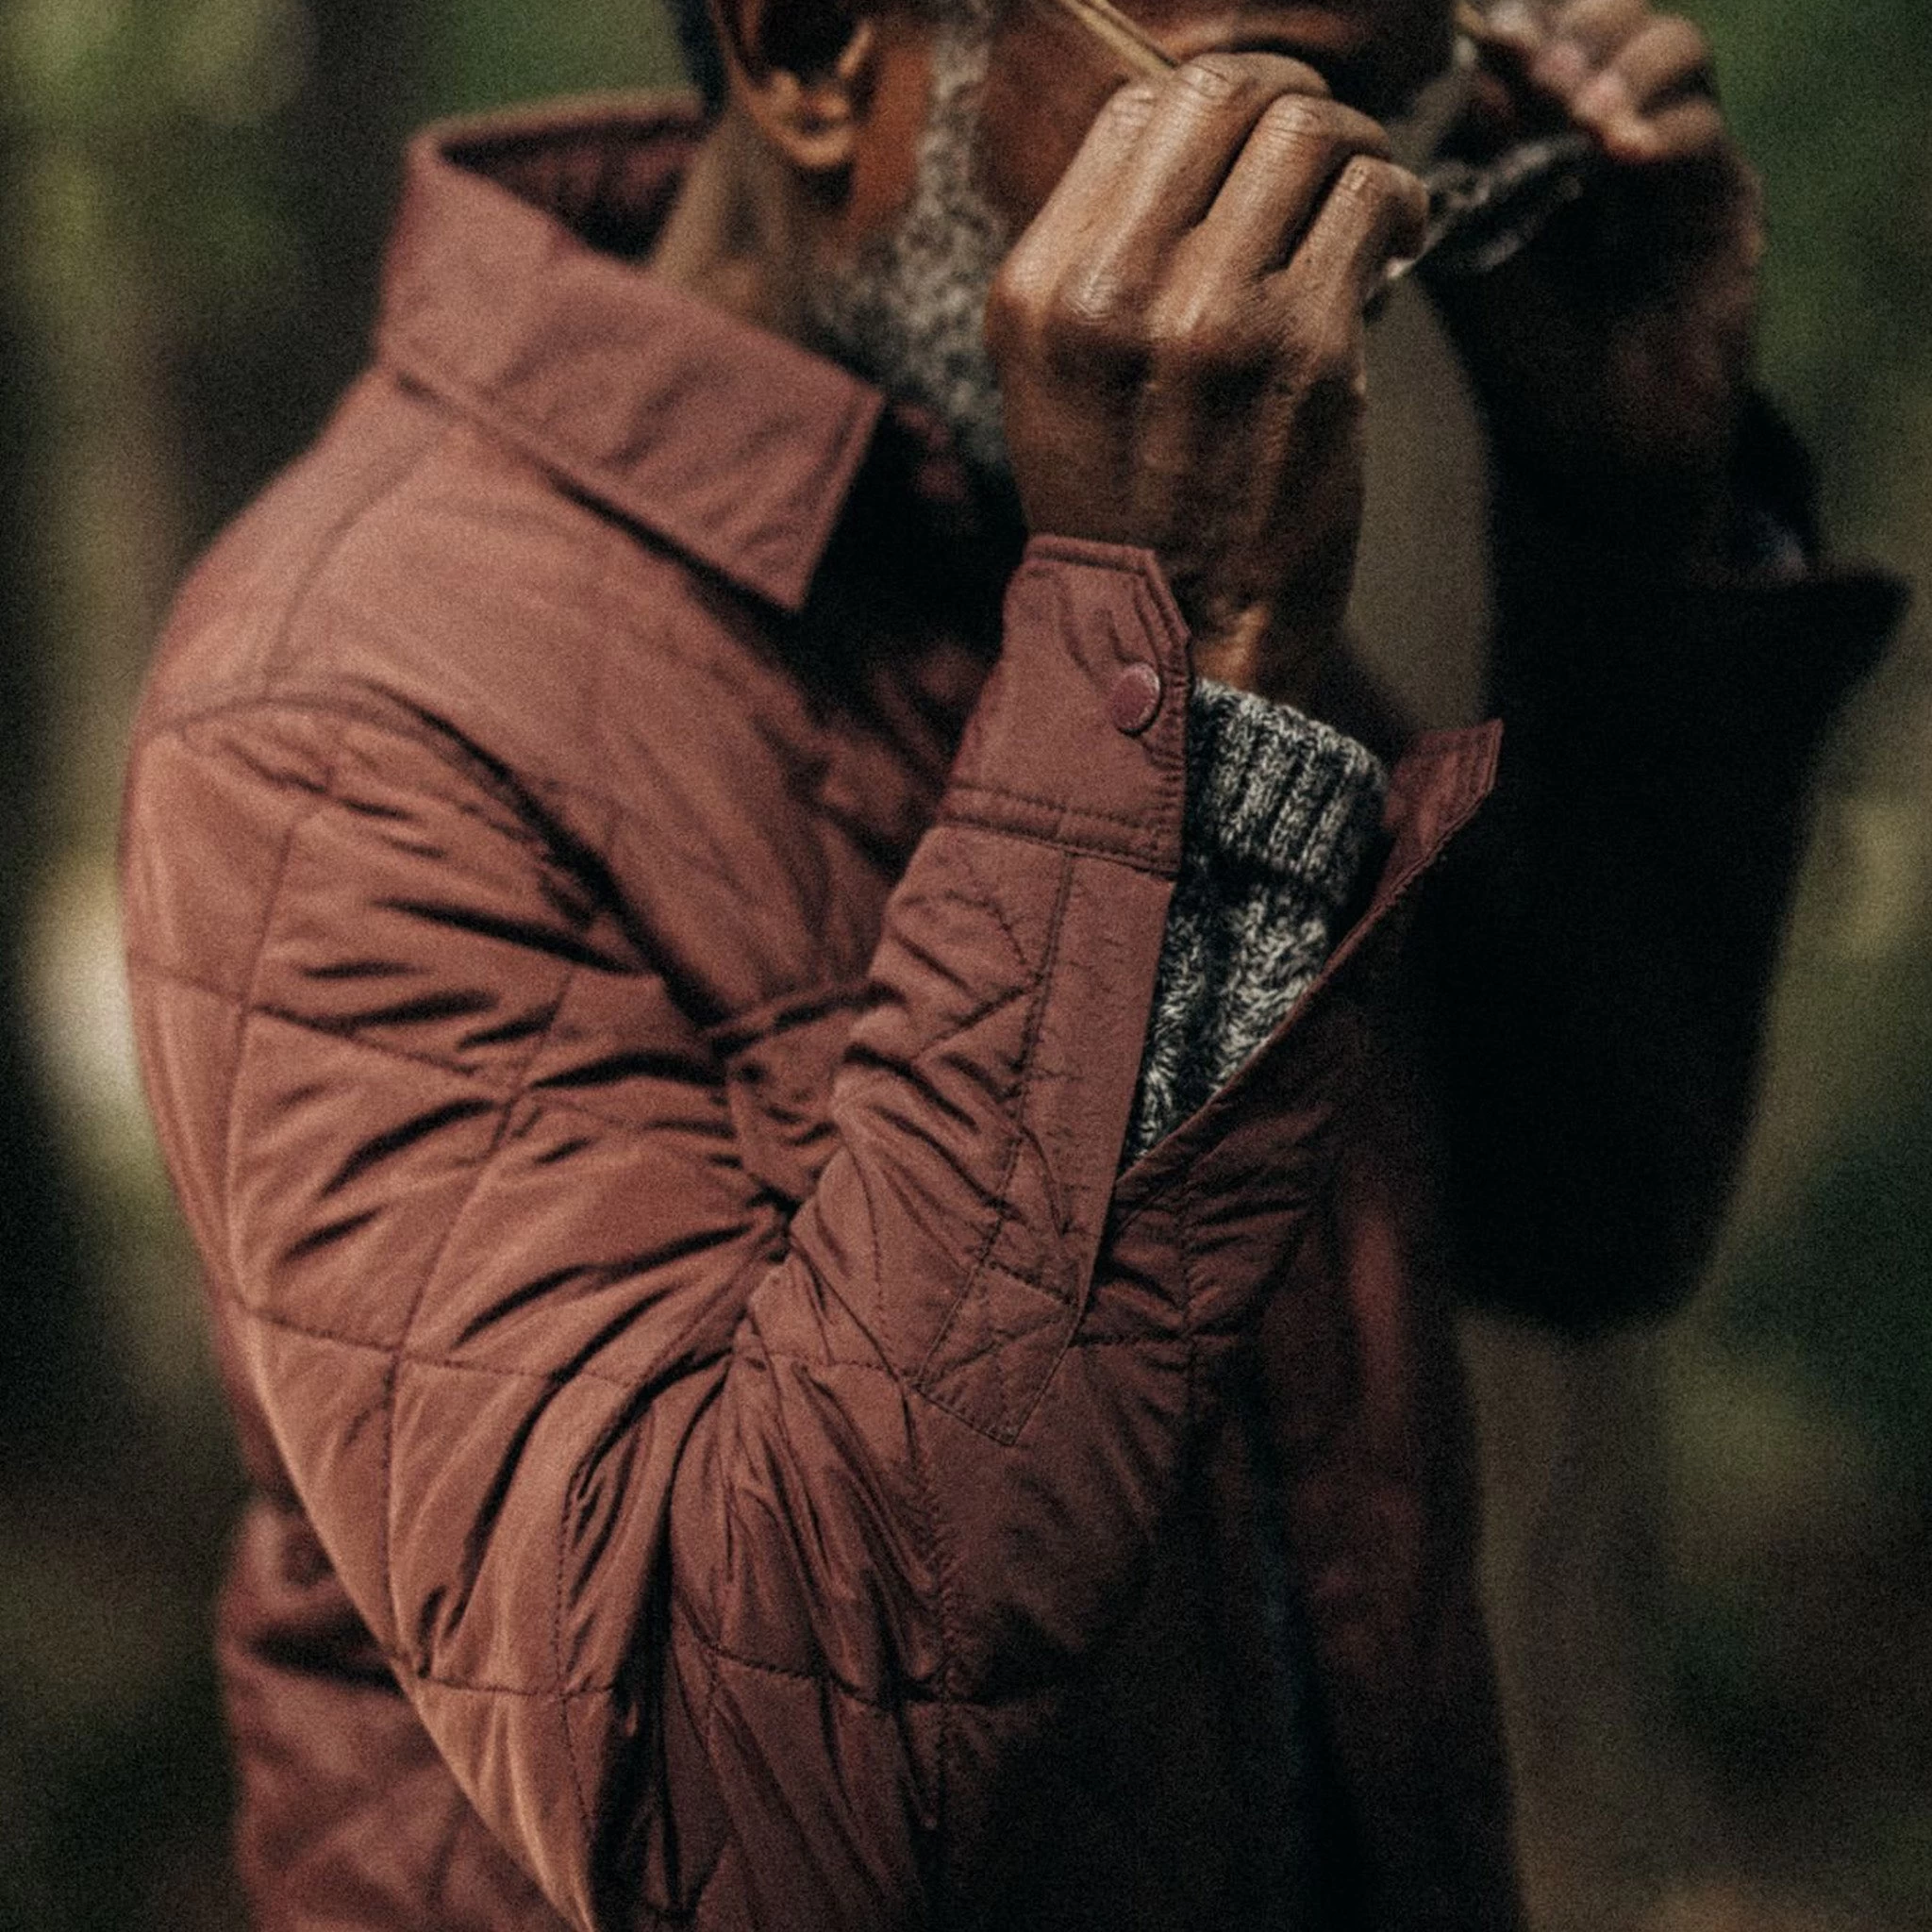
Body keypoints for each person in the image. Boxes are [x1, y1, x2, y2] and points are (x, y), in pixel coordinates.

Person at [119, 0, 1902, 1926]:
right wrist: (1187, 686)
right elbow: (741, 1826)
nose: (1335, 279)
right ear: (808, 49)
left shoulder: (1037, 510)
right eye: (1265, 123)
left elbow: (1587, 1201)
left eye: (1397, 143)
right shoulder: (344, 718)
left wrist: (1621, 524)